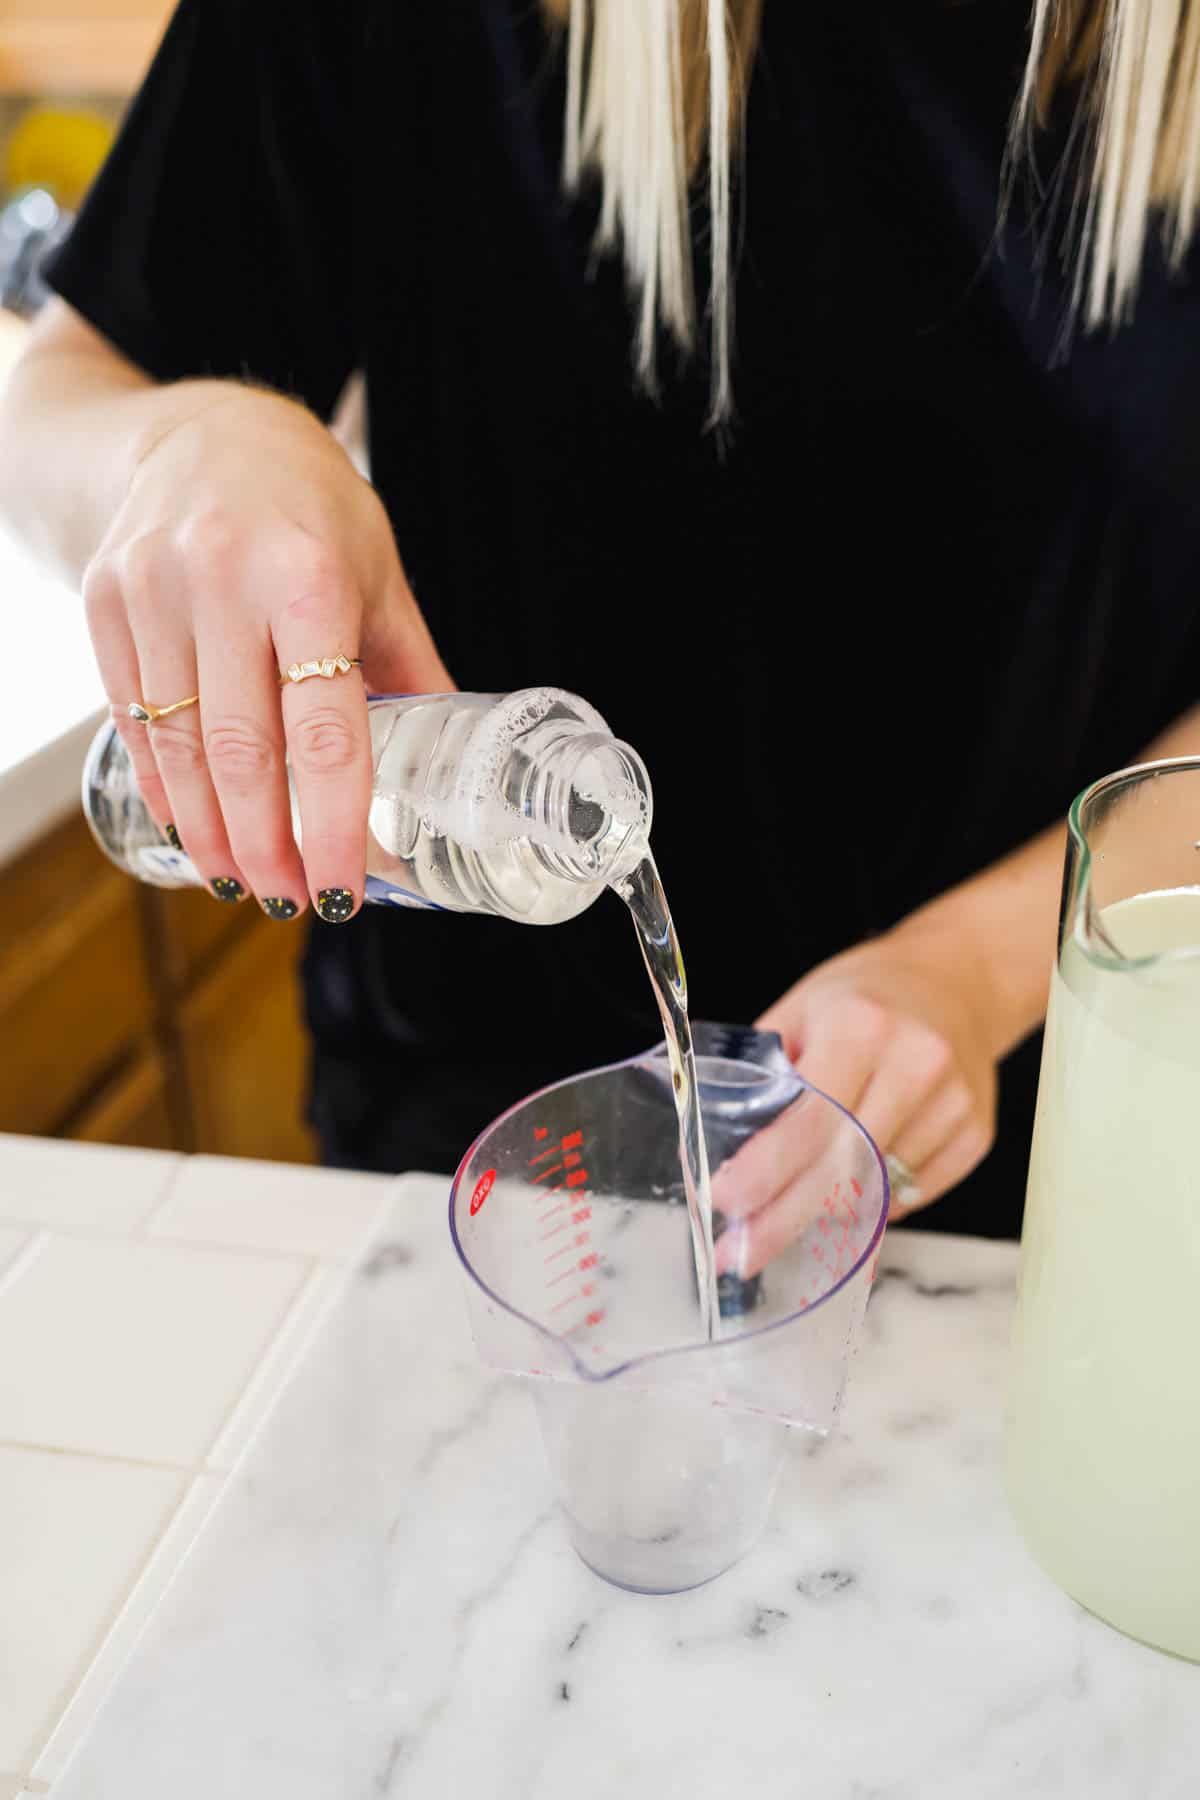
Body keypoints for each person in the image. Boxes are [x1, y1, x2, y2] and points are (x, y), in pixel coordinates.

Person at [3, 0, 1199, 1274]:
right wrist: (192, 446)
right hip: (478, 1147)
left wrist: (977, 969)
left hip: (1065, 1113)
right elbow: (53, 406)